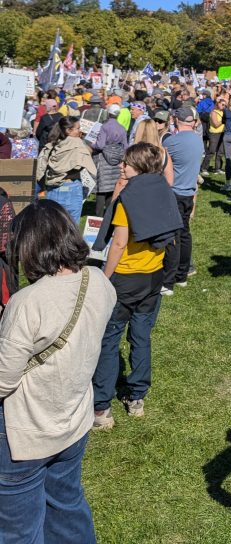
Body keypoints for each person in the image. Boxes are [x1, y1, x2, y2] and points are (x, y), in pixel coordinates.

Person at [0, 200, 116, 543]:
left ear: (28, 246)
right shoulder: (98, 280)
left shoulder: (27, 303)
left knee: (19, 530)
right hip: (74, 421)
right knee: (67, 506)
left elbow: (3, 381)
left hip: (25, 434)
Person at [92, 143, 182, 428]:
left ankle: (101, 407)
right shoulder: (163, 191)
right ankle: (137, 396)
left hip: (125, 277)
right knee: (141, 335)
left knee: (109, 339)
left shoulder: (128, 199)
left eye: (126, 163)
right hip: (153, 275)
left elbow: (119, 243)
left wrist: (105, 278)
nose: (121, 167)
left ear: (139, 167)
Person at [161, 106, 204, 297]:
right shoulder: (197, 140)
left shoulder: (172, 141)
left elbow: (161, 161)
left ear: (176, 120)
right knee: (184, 234)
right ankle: (182, 274)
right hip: (188, 193)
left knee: (173, 237)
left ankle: (168, 281)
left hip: (175, 193)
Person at [36, 115, 96, 226]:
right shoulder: (76, 143)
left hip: (52, 188)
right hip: (71, 187)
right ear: (69, 130)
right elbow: (88, 153)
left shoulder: (53, 143)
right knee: (72, 227)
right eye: (78, 128)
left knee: (53, 225)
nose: (80, 130)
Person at [91, 103, 128, 218]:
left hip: (103, 160)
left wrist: (93, 144)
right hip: (116, 161)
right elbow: (125, 146)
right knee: (112, 188)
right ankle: (109, 215)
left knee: (101, 189)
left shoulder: (104, 126)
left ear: (108, 113)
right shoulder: (122, 128)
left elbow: (101, 145)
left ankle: (98, 217)